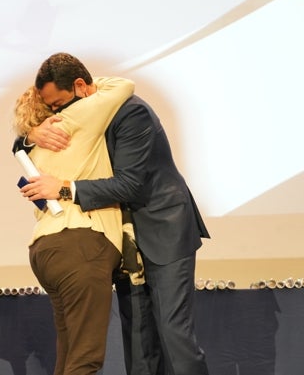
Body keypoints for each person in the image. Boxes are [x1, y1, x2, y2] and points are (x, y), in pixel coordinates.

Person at [14, 52, 211, 375]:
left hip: (163, 230)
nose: (56, 113)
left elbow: (130, 184)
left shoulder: (131, 113)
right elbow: (27, 142)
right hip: (123, 237)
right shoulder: (88, 115)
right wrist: (28, 135)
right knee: (138, 339)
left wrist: (64, 188)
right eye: (50, 108)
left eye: (58, 103)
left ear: (80, 86)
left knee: (174, 334)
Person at [12, 67, 135, 374]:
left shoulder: (31, 149)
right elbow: (123, 85)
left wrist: (27, 135)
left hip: (45, 250)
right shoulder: (75, 118)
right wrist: (85, 86)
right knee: (85, 358)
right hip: (81, 243)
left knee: (68, 356)